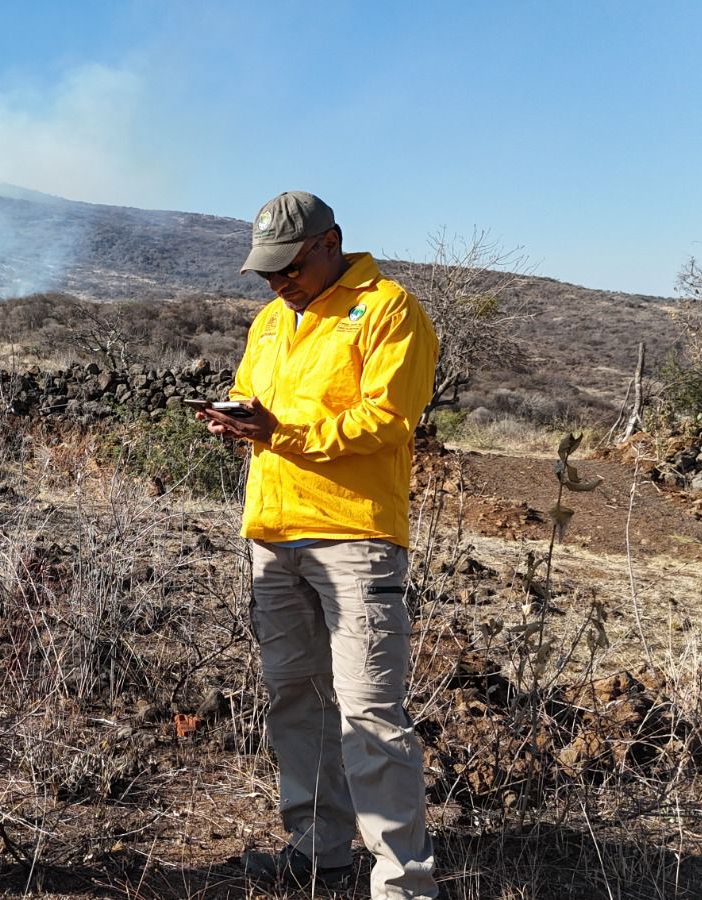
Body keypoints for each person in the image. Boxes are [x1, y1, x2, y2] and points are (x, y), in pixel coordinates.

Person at [199, 191, 439, 899]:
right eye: (269, 272)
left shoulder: (389, 308)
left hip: (354, 536)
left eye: (290, 266)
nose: (278, 282)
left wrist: (281, 433)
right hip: (273, 535)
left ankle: (402, 885)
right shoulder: (271, 321)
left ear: (330, 243)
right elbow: (255, 399)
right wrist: (235, 420)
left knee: (370, 713)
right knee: (295, 700)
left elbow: (388, 421)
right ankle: (319, 850)